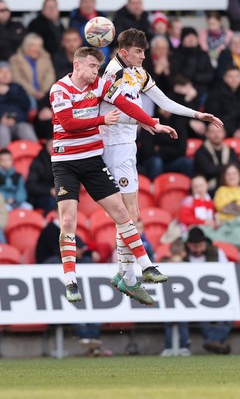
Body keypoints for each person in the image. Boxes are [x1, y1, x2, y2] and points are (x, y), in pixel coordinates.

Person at [49, 46, 178, 304]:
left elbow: (126, 105)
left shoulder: (100, 85)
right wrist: (102, 121)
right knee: (68, 222)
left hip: (92, 161)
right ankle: (71, 281)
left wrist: (153, 124)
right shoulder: (59, 89)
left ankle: (146, 266)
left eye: (98, 66)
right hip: (65, 163)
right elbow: (68, 124)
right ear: (77, 66)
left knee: (122, 213)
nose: (97, 71)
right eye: (92, 66)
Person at [99, 28, 223, 290]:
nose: (144, 56)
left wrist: (197, 115)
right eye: (139, 52)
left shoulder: (138, 73)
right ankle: (127, 277)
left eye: (144, 51)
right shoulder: (112, 74)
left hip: (127, 145)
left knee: (130, 214)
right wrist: (148, 123)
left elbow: (164, 101)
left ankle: (124, 275)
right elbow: (110, 113)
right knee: (128, 214)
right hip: (113, 146)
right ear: (124, 52)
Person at [184, 227, 232, 354]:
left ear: (205, 243)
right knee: (201, 315)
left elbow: (226, 274)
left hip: (217, 295)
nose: (198, 249)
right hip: (192, 299)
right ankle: (215, 343)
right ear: (189, 245)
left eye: (200, 245)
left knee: (229, 314)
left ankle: (211, 341)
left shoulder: (217, 253)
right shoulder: (183, 256)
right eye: (195, 246)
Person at [160, 238, 191, 357]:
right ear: (184, 253)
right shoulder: (187, 266)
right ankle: (184, 347)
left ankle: (168, 348)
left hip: (169, 299)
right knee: (182, 325)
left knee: (169, 325)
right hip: (182, 300)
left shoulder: (165, 265)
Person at [170, 26, 215, 106]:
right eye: (188, 36)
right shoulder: (176, 55)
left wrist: (195, 78)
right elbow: (175, 74)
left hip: (203, 89)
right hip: (182, 89)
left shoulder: (203, 54)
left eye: (193, 36)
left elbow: (210, 75)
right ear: (182, 39)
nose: (191, 39)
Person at [9, 33, 56, 107]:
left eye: (39, 46)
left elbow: (50, 75)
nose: (36, 49)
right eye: (33, 46)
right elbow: (18, 79)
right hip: (26, 94)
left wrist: (43, 91)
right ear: (26, 46)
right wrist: (34, 92)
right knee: (32, 103)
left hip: (44, 92)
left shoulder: (46, 57)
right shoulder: (15, 60)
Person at [0, 61, 38, 147]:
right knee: (2, 130)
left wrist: (9, 92)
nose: (5, 74)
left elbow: (26, 105)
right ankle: (4, 159)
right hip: (1, 125)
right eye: (1, 71)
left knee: (25, 128)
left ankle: (37, 156)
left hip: (18, 123)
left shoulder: (17, 88)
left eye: (8, 72)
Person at [194, 123, 239, 194]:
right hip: (210, 190)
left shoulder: (230, 151)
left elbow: (237, 167)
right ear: (207, 134)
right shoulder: (201, 152)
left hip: (231, 188)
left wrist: (219, 169)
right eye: (213, 132)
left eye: (219, 131)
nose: (216, 135)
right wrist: (227, 169)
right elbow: (208, 170)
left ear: (224, 133)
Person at [69, 0, 110, 66]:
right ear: (80, 4)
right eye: (85, 2)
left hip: (99, 46)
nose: (88, 5)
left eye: (90, 2)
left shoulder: (102, 17)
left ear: (94, 3)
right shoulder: (74, 17)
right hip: (81, 47)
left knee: (105, 50)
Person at [205, 66, 240, 137]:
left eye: (237, 76)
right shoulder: (215, 94)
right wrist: (234, 131)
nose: (234, 80)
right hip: (223, 129)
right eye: (230, 76)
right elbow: (214, 118)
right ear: (224, 78)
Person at [26, 138, 57, 215]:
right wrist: (50, 190)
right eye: (51, 145)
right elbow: (31, 186)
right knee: (53, 202)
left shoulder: (63, 161)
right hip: (39, 198)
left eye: (56, 145)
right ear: (46, 146)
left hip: (58, 196)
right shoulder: (38, 162)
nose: (53, 148)